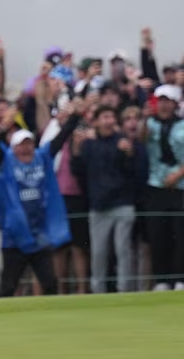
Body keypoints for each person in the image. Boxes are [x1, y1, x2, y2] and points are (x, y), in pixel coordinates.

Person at [0, 101, 80, 297]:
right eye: (21, 145)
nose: (26, 149)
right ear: (13, 148)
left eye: (29, 144)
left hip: (39, 235)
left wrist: (75, 117)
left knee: (50, 283)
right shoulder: (5, 162)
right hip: (15, 236)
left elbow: (61, 139)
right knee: (8, 287)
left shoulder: (42, 157)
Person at [70, 105, 147, 293]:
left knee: (123, 251)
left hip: (123, 204)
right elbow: (78, 171)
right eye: (105, 117)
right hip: (98, 207)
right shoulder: (88, 144)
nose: (109, 121)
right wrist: (77, 149)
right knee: (98, 253)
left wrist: (129, 155)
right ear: (96, 121)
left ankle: (124, 292)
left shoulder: (123, 142)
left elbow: (136, 175)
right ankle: (98, 292)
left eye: (112, 117)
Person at [142, 85, 184, 291]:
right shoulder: (150, 124)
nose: (164, 105)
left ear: (175, 104)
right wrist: (143, 119)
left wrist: (178, 174)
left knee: (180, 234)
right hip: (156, 186)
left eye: (168, 101)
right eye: (161, 101)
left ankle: (180, 279)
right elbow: (140, 140)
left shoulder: (182, 125)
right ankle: (161, 280)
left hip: (180, 187)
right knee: (158, 235)